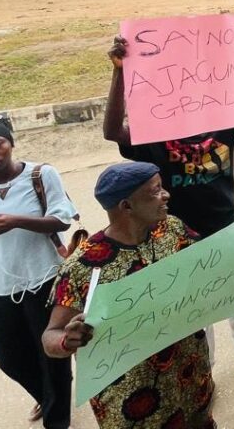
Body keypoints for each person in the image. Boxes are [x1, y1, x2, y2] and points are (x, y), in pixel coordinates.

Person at [102, 37, 234, 384]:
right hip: (176, 235)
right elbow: (112, 131)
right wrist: (119, 73)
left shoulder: (223, 119)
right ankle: (205, 370)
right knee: (195, 311)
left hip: (226, 224)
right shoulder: (154, 132)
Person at [43, 162, 218, 428]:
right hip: (133, 398)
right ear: (126, 206)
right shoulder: (83, 267)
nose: (166, 195)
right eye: (156, 190)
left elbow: (210, 262)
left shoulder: (171, 228)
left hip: (190, 373)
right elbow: (50, 336)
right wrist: (68, 340)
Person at [0, 119, 77, 429]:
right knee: (7, 357)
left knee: (52, 356)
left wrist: (16, 221)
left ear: (10, 144)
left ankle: (57, 420)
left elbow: (63, 220)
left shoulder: (40, 175)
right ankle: (48, 396)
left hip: (45, 280)